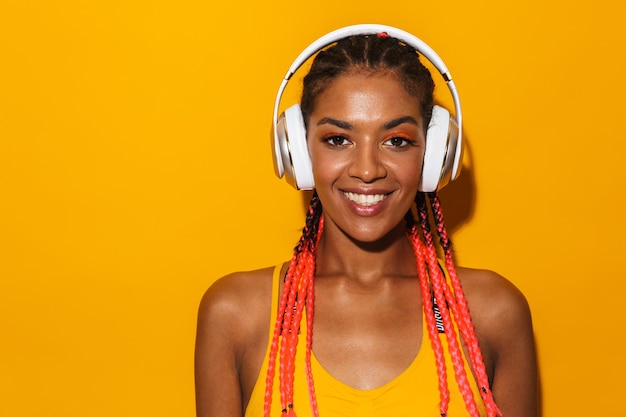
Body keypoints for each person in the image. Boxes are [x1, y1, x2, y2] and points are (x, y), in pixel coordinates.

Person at [195, 24, 537, 417]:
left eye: (397, 141)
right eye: (338, 139)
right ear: (298, 154)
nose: (367, 169)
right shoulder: (234, 315)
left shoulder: (493, 312)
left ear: (433, 157)